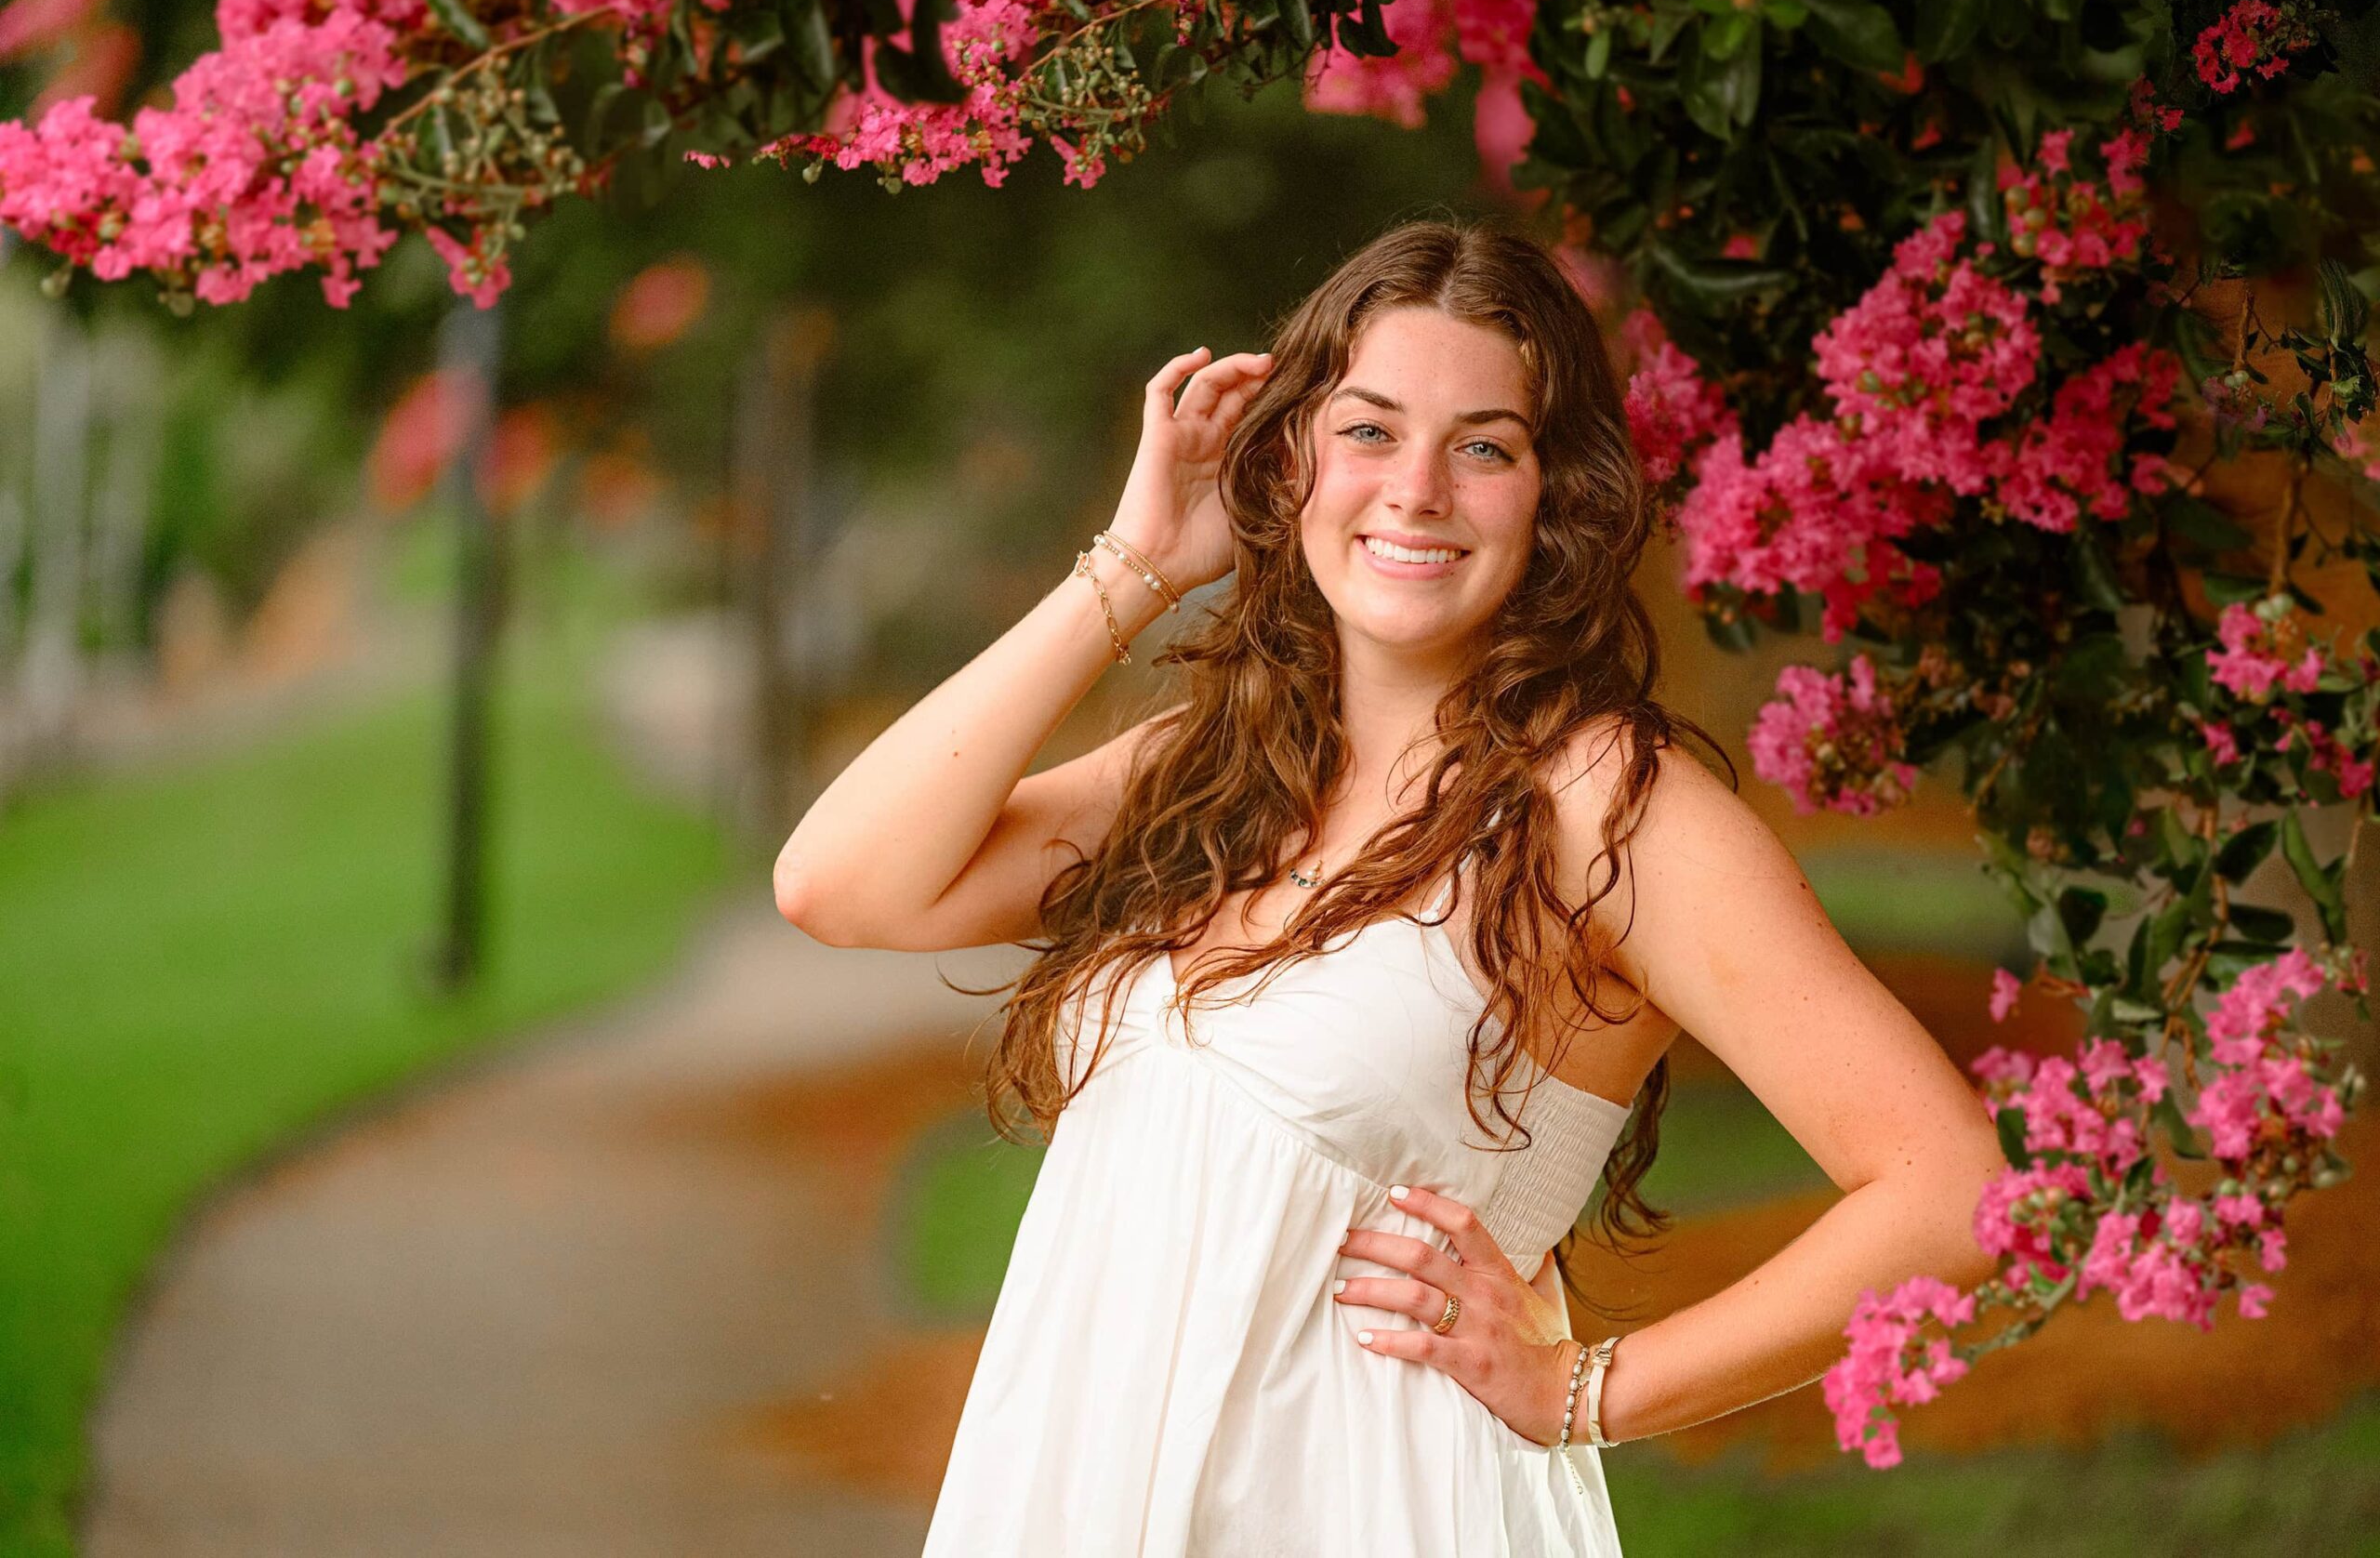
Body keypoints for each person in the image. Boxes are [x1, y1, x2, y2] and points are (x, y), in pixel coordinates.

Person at [774, 218, 2005, 1554]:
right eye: (1367, 431)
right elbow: (842, 886)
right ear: (1291, 457)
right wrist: (1135, 566)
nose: (1416, 489)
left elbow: (1952, 1193)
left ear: (1555, 494)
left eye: (1483, 446)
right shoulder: (1217, 765)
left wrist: (1587, 1388)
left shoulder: (1606, 805)